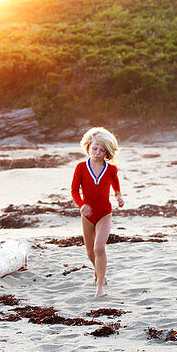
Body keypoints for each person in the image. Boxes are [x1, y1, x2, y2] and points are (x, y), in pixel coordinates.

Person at [70, 127, 124, 297]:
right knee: (90, 252)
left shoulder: (111, 170)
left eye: (102, 150)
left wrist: (118, 196)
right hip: (87, 215)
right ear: (88, 146)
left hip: (104, 214)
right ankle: (100, 272)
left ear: (107, 152)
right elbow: (74, 190)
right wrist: (81, 205)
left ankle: (99, 287)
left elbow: (115, 182)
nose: (98, 153)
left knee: (99, 248)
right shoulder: (80, 167)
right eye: (95, 148)